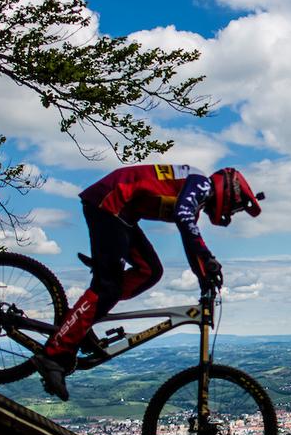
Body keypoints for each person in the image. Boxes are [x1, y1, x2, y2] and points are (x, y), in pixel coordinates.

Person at [32, 163, 262, 400]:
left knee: (150, 271)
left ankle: (81, 317)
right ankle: (53, 356)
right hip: (110, 203)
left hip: (124, 214)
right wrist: (208, 257)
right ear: (231, 190)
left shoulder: (196, 197)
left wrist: (206, 280)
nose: (230, 214)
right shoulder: (201, 183)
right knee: (107, 289)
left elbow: (189, 240)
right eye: (234, 208)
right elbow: (184, 220)